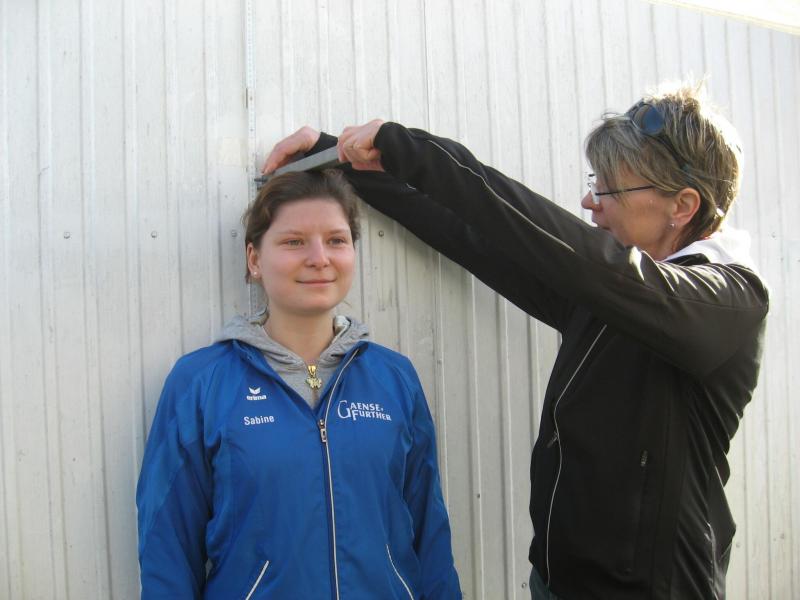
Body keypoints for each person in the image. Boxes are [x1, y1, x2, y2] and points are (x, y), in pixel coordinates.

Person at [262, 82, 769, 599]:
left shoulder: (725, 303)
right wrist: (338, 161)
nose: (589, 202)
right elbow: (474, 235)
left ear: (682, 205)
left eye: (610, 189)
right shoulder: (614, 290)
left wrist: (410, 149)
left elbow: (586, 261)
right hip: (557, 582)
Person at [136, 170, 462, 599]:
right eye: (294, 242)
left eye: (336, 240)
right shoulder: (201, 383)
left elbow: (429, 531)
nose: (319, 258)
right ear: (254, 259)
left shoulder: (394, 377)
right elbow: (168, 546)